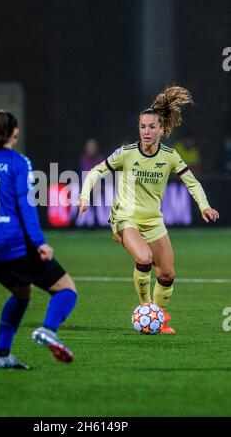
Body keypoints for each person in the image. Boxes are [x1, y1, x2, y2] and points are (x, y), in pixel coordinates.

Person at [78, 86, 219, 333]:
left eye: (152, 127)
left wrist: (204, 205)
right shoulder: (127, 153)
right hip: (125, 218)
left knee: (167, 275)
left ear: (162, 130)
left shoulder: (170, 156)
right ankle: (146, 310)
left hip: (153, 221)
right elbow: (97, 171)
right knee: (144, 258)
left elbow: (192, 182)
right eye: (142, 126)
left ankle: (158, 317)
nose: (146, 131)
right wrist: (84, 195)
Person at [0, 110, 77, 368]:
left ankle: (0, 355)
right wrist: (39, 242)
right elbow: (25, 204)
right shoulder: (17, 162)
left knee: (22, 292)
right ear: (16, 132)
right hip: (15, 244)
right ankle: (49, 330)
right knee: (66, 289)